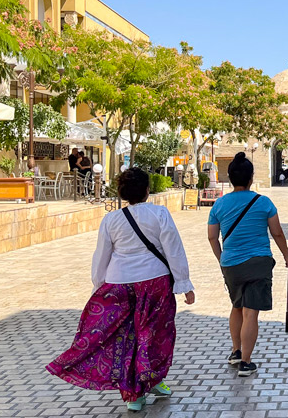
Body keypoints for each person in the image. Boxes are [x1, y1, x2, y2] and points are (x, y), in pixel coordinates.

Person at [47, 168, 195, 412]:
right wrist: (184, 283)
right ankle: (146, 382)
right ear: (147, 191)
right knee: (152, 335)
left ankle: (138, 391)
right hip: (155, 283)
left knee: (125, 338)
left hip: (118, 286)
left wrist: (99, 285)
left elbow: (101, 256)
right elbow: (173, 249)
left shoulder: (111, 219)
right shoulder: (159, 214)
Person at [207, 152, 288, 377]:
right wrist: (286, 256)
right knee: (250, 313)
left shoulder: (220, 204)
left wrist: (221, 259)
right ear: (251, 178)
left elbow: (212, 237)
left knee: (236, 307)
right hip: (258, 262)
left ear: (230, 177)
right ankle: (246, 361)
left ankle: (236, 351)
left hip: (231, 264)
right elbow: (277, 233)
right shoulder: (263, 202)